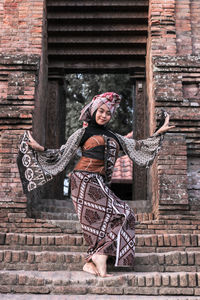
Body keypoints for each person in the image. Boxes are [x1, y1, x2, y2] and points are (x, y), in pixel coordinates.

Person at [17, 92, 174, 277]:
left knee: (123, 215)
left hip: (98, 182)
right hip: (82, 180)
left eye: (108, 113)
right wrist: (40, 149)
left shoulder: (115, 137)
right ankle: (99, 258)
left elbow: (138, 147)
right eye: (101, 111)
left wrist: (158, 133)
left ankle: (93, 261)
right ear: (93, 110)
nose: (104, 115)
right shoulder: (83, 132)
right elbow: (62, 153)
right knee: (117, 214)